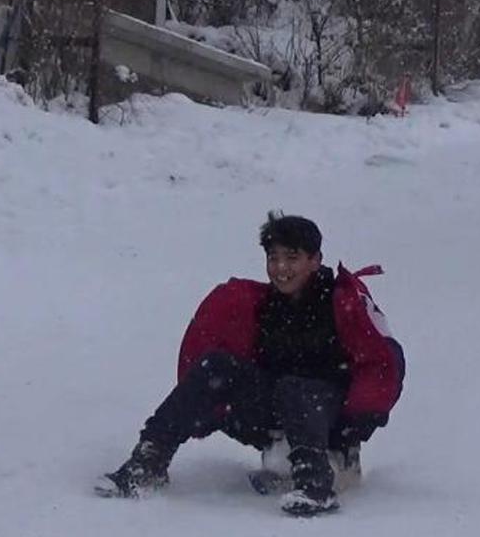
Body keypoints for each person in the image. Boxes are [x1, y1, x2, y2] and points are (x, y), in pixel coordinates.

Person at [95, 213, 405, 516]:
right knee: (215, 366)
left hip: (329, 417)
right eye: (274, 258)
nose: (281, 268)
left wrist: (353, 429)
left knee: (295, 387)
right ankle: (149, 461)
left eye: (292, 257)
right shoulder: (263, 305)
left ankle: (315, 485)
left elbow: (380, 363)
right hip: (275, 412)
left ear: (315, 259)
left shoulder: (342, 302)